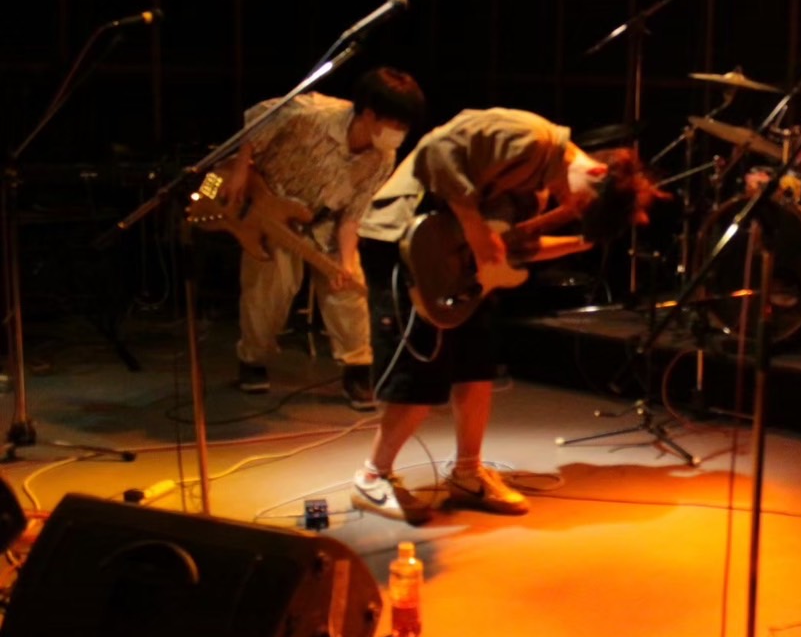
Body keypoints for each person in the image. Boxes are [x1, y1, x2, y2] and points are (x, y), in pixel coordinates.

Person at [351, 108, 662, 522]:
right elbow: (437, 150)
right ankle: (372, 477)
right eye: (580, 203)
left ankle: (467, 472)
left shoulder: (538, 188)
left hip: (454, 261)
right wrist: (474, 228)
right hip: (405, 243)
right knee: (419, 373)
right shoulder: (530, 137)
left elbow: (511, 250)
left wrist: (581, 242)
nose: (569, 207)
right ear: (595, 173)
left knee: (476, 368)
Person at [233, 67, 426, 410]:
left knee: (349, 289)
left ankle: (358, 370)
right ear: (369, 114)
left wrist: (345, 262)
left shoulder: (382, 156)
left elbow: (353, 215)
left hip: (324, 223)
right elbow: (255, 121)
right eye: (394, 123)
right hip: (269, 208)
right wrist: (239, 170)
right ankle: (252, 358)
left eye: (404, 126)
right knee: (269, 292)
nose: (399, 133)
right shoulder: (312, 114)